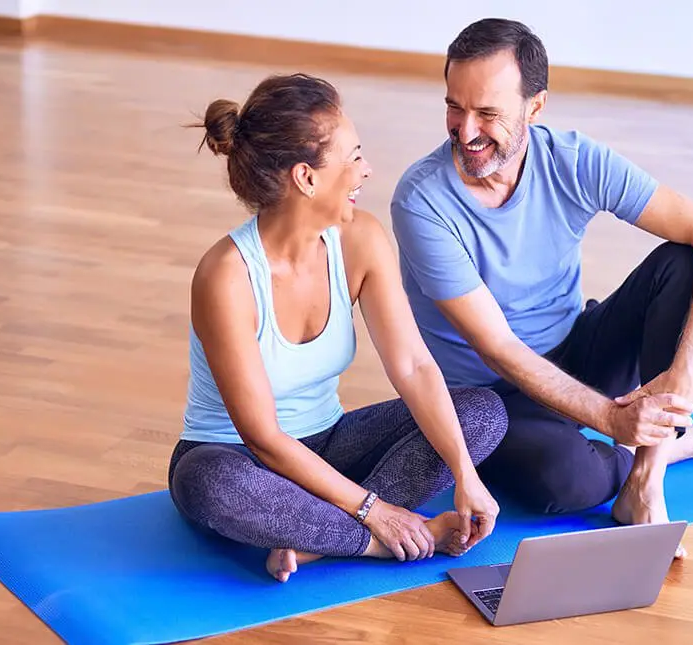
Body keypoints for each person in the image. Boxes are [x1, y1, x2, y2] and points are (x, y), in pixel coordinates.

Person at [390, 18, 693, 556]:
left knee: (686, 260)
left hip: (578, 350)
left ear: (535, 108)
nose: (465, 131)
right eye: (453, 107)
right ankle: (671, 448)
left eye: (488, 113)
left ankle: (645, 485)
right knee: (565, 483)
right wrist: (611, 418)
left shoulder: (575, 161)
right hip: (492, 398)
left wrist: (686, 374)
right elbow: (500, 348)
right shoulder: (421, 202)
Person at [168, 73, 508, 583]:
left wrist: (465, 474)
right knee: (209, 484)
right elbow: (262, 438)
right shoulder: (227, 276)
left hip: (330, 443)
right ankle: (376, 541)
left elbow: (414, 366)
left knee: (482, 414)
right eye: (352, 157)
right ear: (306, 178)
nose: (366, 169)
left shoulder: (362, 240)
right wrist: (375, 512)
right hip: (240, 458)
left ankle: (314, 543)